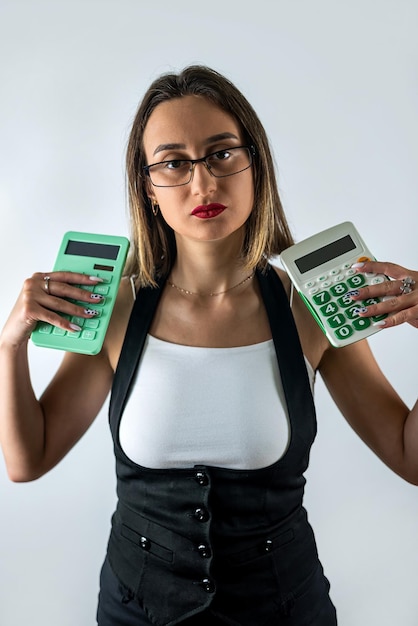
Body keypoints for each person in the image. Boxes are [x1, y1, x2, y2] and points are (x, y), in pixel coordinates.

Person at [0, 65, 417, 626]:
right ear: (149, 186)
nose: (203, 184)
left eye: (222, 153)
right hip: (135, 612)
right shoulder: (115, 308)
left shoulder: (311, 308)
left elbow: (409, 457)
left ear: (255, 165)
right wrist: (9, 349)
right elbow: (28, 460)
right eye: (174, 163)